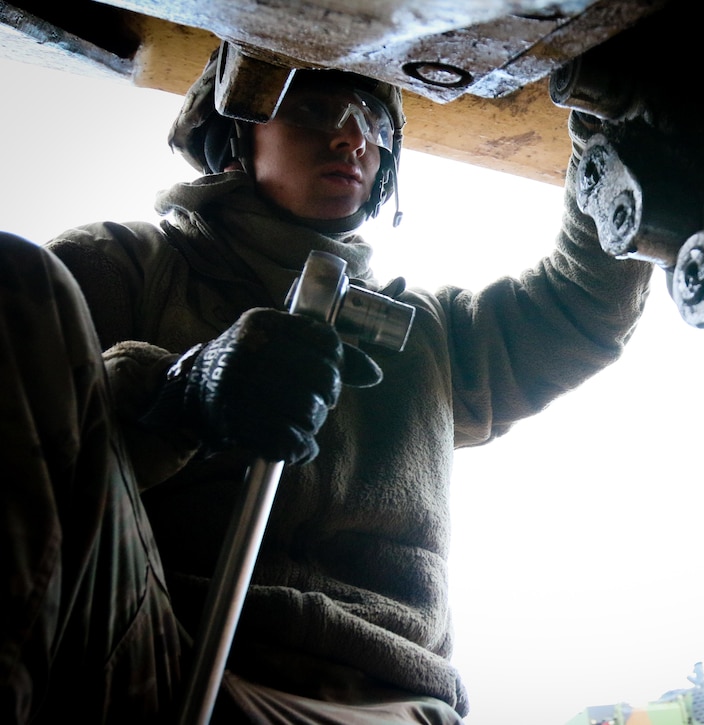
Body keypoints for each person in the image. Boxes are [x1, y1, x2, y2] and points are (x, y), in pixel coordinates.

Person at [1, 46, 653, 723]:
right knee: (15, 279)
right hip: (161, 661)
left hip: (388, 702)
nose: (352, 136)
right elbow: (38, 450)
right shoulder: (127, 267)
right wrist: (179, 395)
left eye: (373, 119)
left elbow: (578, 306)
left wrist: (613, 127)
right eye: (312, 108)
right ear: (235, 134)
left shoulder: (430, 334)